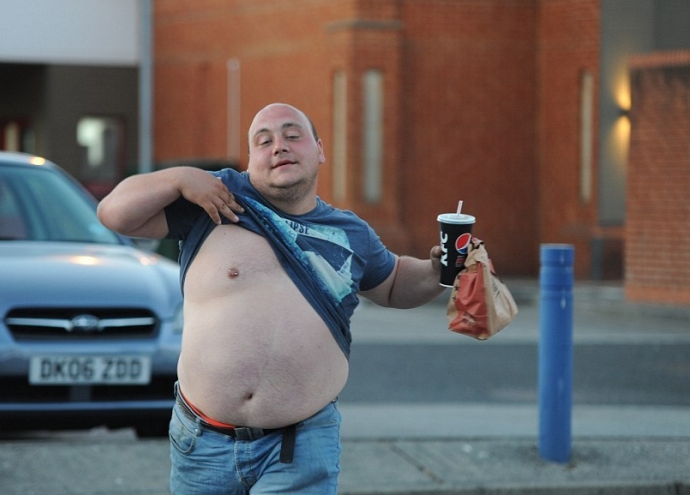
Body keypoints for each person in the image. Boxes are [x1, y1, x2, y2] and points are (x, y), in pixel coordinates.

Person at [97, 103, 446, 494]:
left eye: (292, 135)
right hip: (202, 443)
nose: (279, 146)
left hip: (300, 446)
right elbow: (114, 213)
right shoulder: (215, 203)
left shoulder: (349, 233)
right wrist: (180, 178)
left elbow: (396, 282)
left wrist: (437, 271)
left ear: (319, 150)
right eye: (264, 141)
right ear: (251, 160)